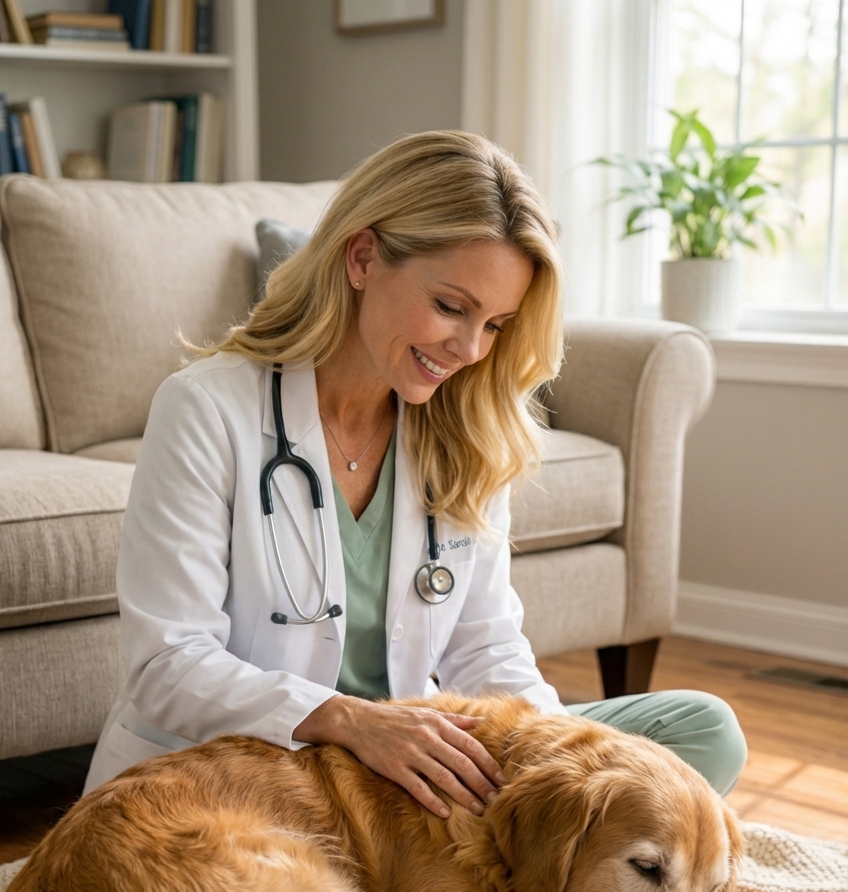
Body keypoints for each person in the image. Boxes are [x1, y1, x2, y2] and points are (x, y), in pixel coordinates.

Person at [84, 131, 746, 809]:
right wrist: (353, 720)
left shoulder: (468, 430)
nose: (468, 349)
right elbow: (167, 665)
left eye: (496, 324)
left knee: (702, 733)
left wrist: (558, 764)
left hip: (405, 771)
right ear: (364, 256)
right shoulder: (206, 408)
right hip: (250, 774)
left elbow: (485, 649)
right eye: (451, 308)